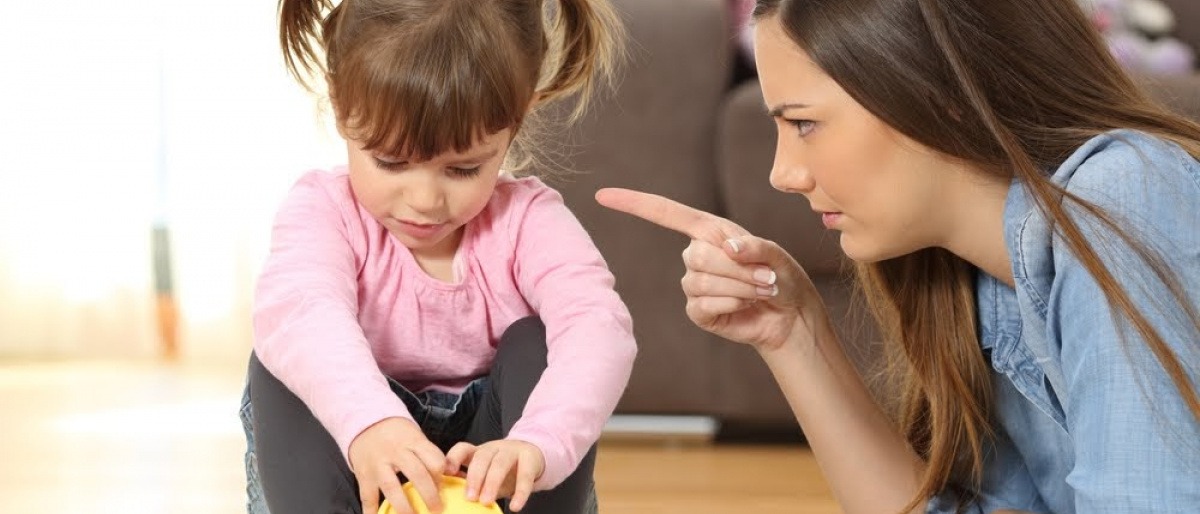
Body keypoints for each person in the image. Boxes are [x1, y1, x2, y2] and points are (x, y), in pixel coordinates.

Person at [597, 0, 1200, 512]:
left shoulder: (1126, 195)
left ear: (938, 97)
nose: (783, 174)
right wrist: (793, 333)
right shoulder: (973, 280)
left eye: (804, 123)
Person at [238, 1, 636, 513]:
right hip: (355, 471)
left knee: (536, 341)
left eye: (463, 169)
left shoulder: (529, 220)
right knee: (285, 358)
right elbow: (300, 310)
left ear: (515, 124)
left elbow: (598, 327)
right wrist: (371, 422)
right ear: (340, 108)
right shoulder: (323, 209)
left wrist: (540, 443)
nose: (424, 200)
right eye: (391, 161)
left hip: (487, 475)